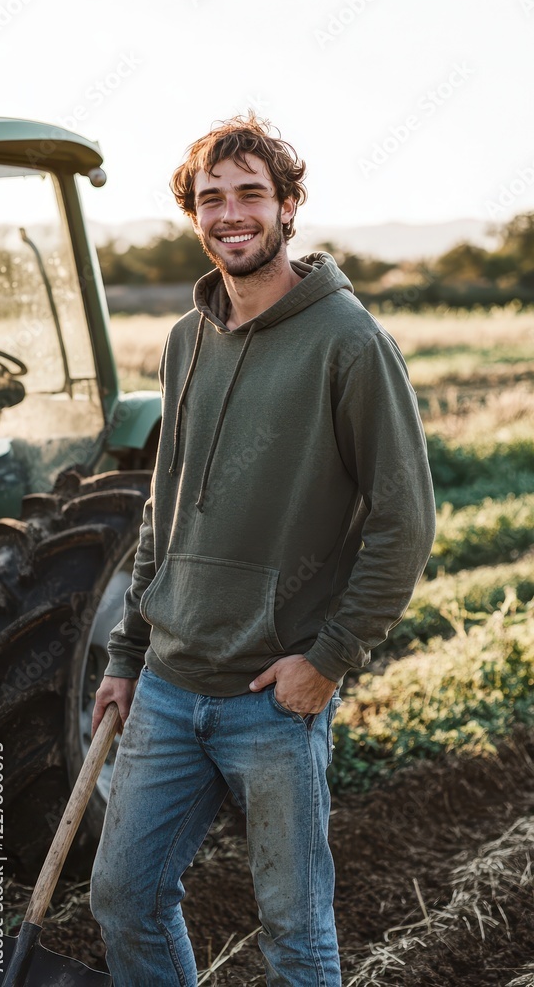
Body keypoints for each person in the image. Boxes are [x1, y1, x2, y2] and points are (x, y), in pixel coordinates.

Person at [90, 112, 436, 986]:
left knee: (295, 936)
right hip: (168, 688)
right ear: (194, 215)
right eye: (212, 198)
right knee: (122, 900)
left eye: (252, 194)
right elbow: (161, 516)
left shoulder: (350, 342)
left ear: (288, 207)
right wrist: (129, 653)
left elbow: (406, 520)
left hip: (269, 701)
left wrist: (328, 658)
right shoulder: (184, 340)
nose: (231, 213)